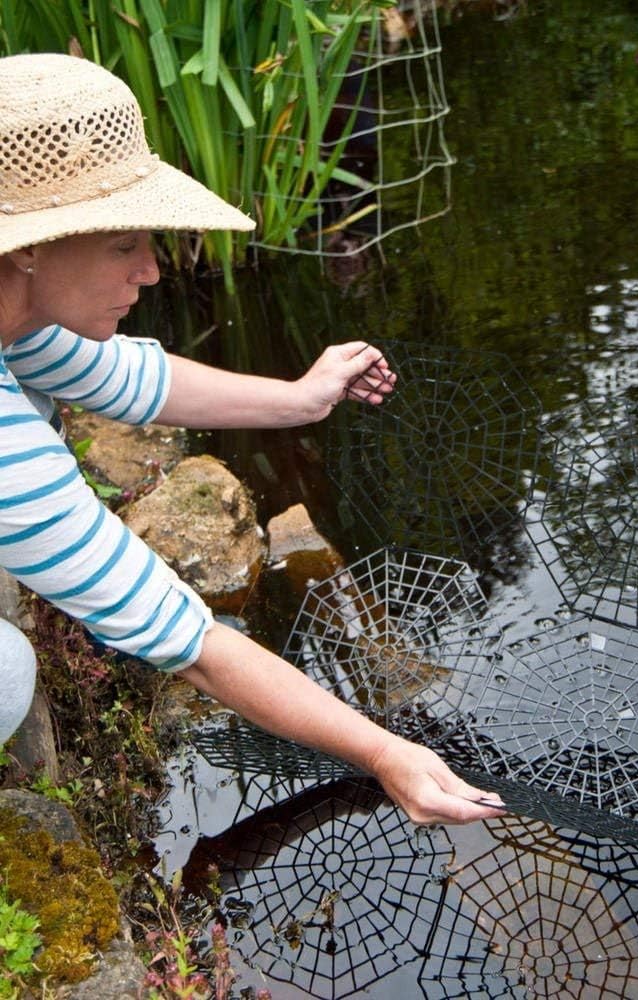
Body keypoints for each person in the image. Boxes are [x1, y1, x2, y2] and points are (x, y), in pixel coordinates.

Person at [0, 52, 504, 825]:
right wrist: (384, 753)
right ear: (31, 245)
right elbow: (187, 640)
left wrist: (303, 401)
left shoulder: (18, 310)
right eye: (123, 244)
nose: (152, 272)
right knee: (7, 675)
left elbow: (135, 380)